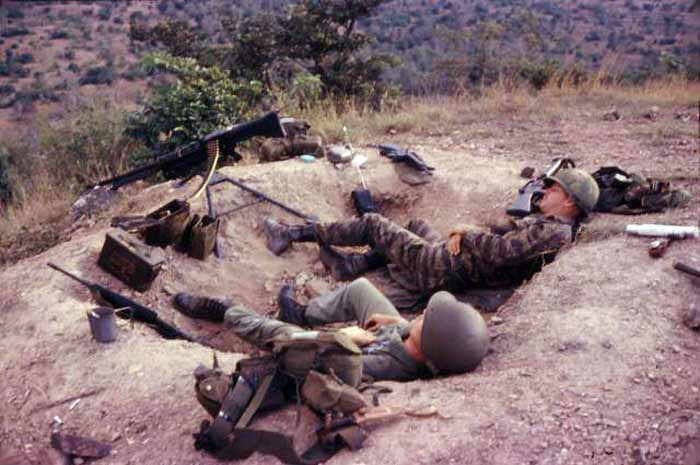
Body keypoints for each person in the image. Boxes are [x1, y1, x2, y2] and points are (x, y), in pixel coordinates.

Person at [263, 168, 600, 309]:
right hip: (451, 262)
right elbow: (505, 241)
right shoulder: (552, 227)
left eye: (554, 188)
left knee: (374, 223)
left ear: (570, 201)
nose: (546, 191)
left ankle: (292, 234)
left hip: (443, 267)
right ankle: (353, 264)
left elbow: (500, 251)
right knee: (417, 223)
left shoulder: (553, 231)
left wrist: (466, 235)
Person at [174, 277, 489, 382]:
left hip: (354, 347)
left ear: (429, 342)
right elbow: (413, 339)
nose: (423, 313)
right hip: (388, 338)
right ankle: (302, 311)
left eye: (428, 317)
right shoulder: (424, 347)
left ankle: (226, 312)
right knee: (361, 289)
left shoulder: (381, 366)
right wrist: (397, 324)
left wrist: (341, 337)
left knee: (282, 332)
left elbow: (319, 361)